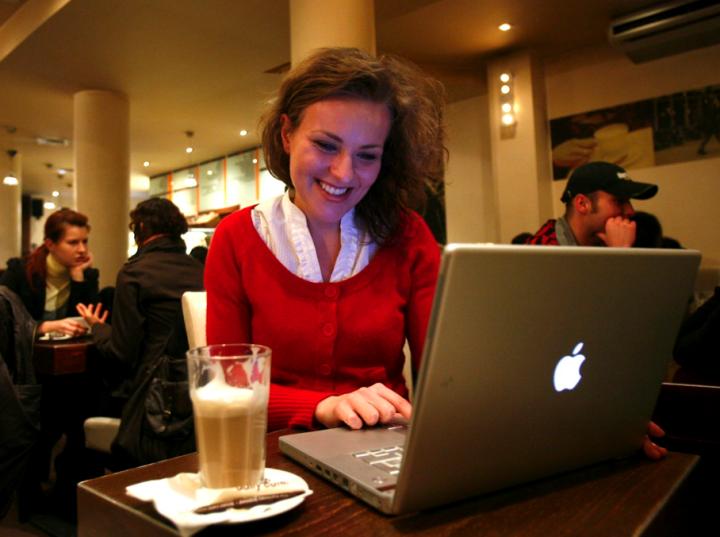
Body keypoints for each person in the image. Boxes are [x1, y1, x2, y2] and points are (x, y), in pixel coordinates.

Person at [205, 47, 444, 432]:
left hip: (384, 445)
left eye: (367, 156)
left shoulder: (409, 235)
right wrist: (324, 406)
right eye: (326, 145)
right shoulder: (236, 237)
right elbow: (227, 385)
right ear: (286, 134)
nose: (344, 173)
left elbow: (443, 377)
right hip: (270, 452)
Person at [76, 198, 204, 465]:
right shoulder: (200, 269)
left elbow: (121, 352)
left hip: (153, 398)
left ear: (142, 228)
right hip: (197, 390)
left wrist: (97, 327)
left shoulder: (134, 273)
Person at [0, 208, 98, 337]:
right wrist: (42, 327)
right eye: (73, 242)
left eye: (84, 241)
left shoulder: (87, 275)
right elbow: (4, 320)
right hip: (28, 348)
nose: (82, 249)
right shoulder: (19, 271)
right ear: (50, 244)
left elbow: (83, 325)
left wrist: (77, 279)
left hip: (69, 348)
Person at [527, 161, 658, 247]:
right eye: (619, 201)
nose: (630, 211)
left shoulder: (617, 239)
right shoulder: (543, 252)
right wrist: (620, 255)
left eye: (628, 201)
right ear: (582, 204)